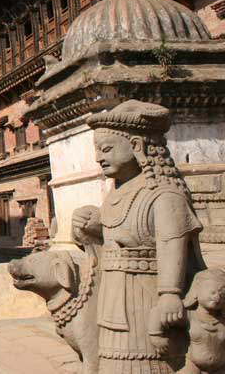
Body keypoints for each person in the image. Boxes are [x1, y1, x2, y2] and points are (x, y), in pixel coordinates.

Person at [72, 101, 205, 372]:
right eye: (97, 150)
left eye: (106, 149)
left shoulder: (164, 194)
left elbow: (171, 245)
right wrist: (88, 231)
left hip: (146, 299)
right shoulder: (118, 194)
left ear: (136, 146)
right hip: (112, 300)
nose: (99, 158)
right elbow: (115, 238)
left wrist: (169, 293)